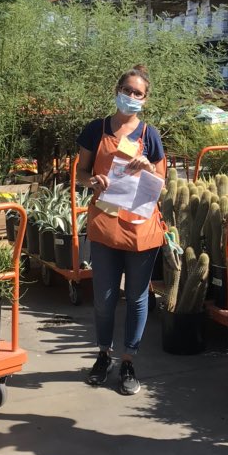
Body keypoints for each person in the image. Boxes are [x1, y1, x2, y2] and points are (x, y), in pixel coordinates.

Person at [76, 65, 166, 395]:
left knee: (137, 297)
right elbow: (81, 173)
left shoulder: (149, 136)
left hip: (140, 228)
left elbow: (162, 186)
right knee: (104, 298)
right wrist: (92, 181)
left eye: (137, 93)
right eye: (126, 90)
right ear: (117, 90)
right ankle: (104, 355)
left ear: (146, 99)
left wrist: (147, 167)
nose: (130, 97)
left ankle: (128, 360)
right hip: (104, 226)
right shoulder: (95, 130)